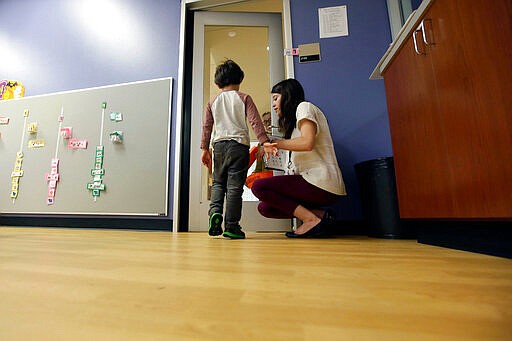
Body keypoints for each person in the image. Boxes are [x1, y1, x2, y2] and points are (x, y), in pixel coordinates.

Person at [251, 79, 346, 238]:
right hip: (310, 181)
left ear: (287, 95)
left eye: (276, 98)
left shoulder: (304, 107)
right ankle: (321, 216)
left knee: (259, 186)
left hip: (321, 181)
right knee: (265, 208)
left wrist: (276, 144)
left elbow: (307, 143)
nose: (274, 105)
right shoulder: (294, 126)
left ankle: (310, 220)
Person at [200, 59, 269, 239]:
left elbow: (207, 127)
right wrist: (264, 141)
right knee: (234, 188)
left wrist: (204, 149)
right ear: (240, 80)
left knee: (218, 183)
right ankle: (231, 226)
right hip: (238, 146)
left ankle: (215, 212)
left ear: (217, 83)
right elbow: (255, 121)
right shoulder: (244, 97)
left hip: (219, 147)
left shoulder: (213, 101)